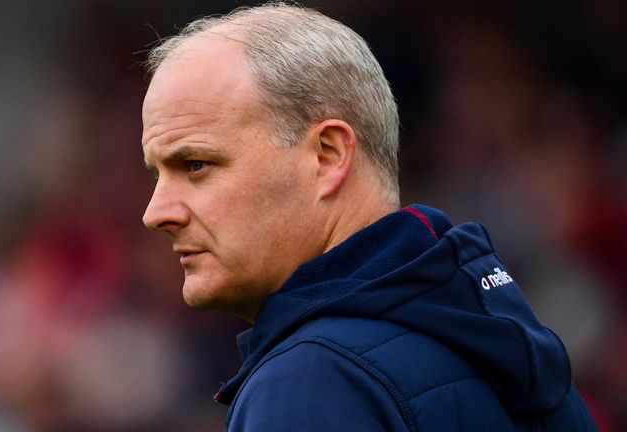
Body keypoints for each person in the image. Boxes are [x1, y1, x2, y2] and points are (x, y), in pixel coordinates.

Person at [140, 3, 596, 431]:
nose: (156, 213)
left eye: (196, 164)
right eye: (157, 173)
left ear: (328, 155)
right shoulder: (503, 344)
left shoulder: (308, 386)